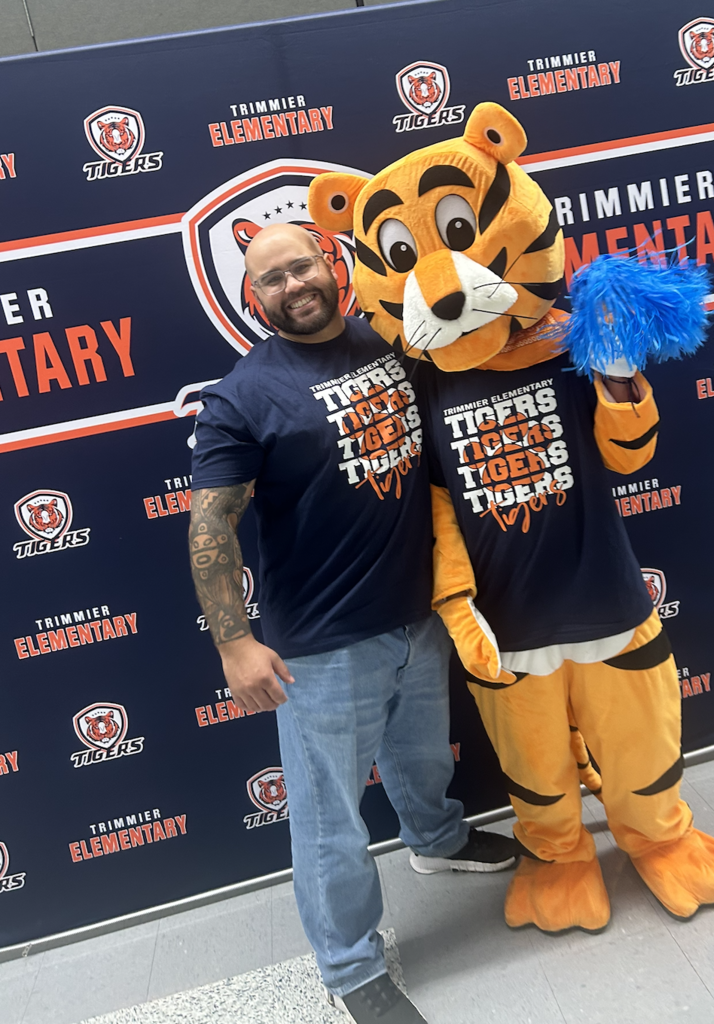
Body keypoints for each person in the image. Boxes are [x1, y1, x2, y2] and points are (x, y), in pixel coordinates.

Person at [188, 223, 516, 1024]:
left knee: (420, 756)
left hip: (419, 614)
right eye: (271, 280)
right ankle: (350, 965)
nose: (292, 285)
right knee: (332, 820)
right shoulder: (241, 397)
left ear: (330, 267)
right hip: (323, 647)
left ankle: (436, 843)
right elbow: (209, 525)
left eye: (301, 266)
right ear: (250, 298)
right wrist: (234, 641)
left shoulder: (389, 343)